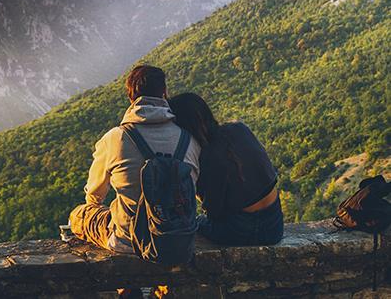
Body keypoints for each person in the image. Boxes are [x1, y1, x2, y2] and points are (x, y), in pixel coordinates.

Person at [69, 66, 201, 253]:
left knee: (79, 214)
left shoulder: (116, 137)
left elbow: (94, 193)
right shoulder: (189, 139)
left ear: (130, 97)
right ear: (164, 93)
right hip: (177, 237)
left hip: (128, 240)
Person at [168, 93, 283, 246]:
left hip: (242, 230)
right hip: (275, 224)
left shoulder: (205, 156)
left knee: (195, 223)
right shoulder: (239, 129)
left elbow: (214, 213)